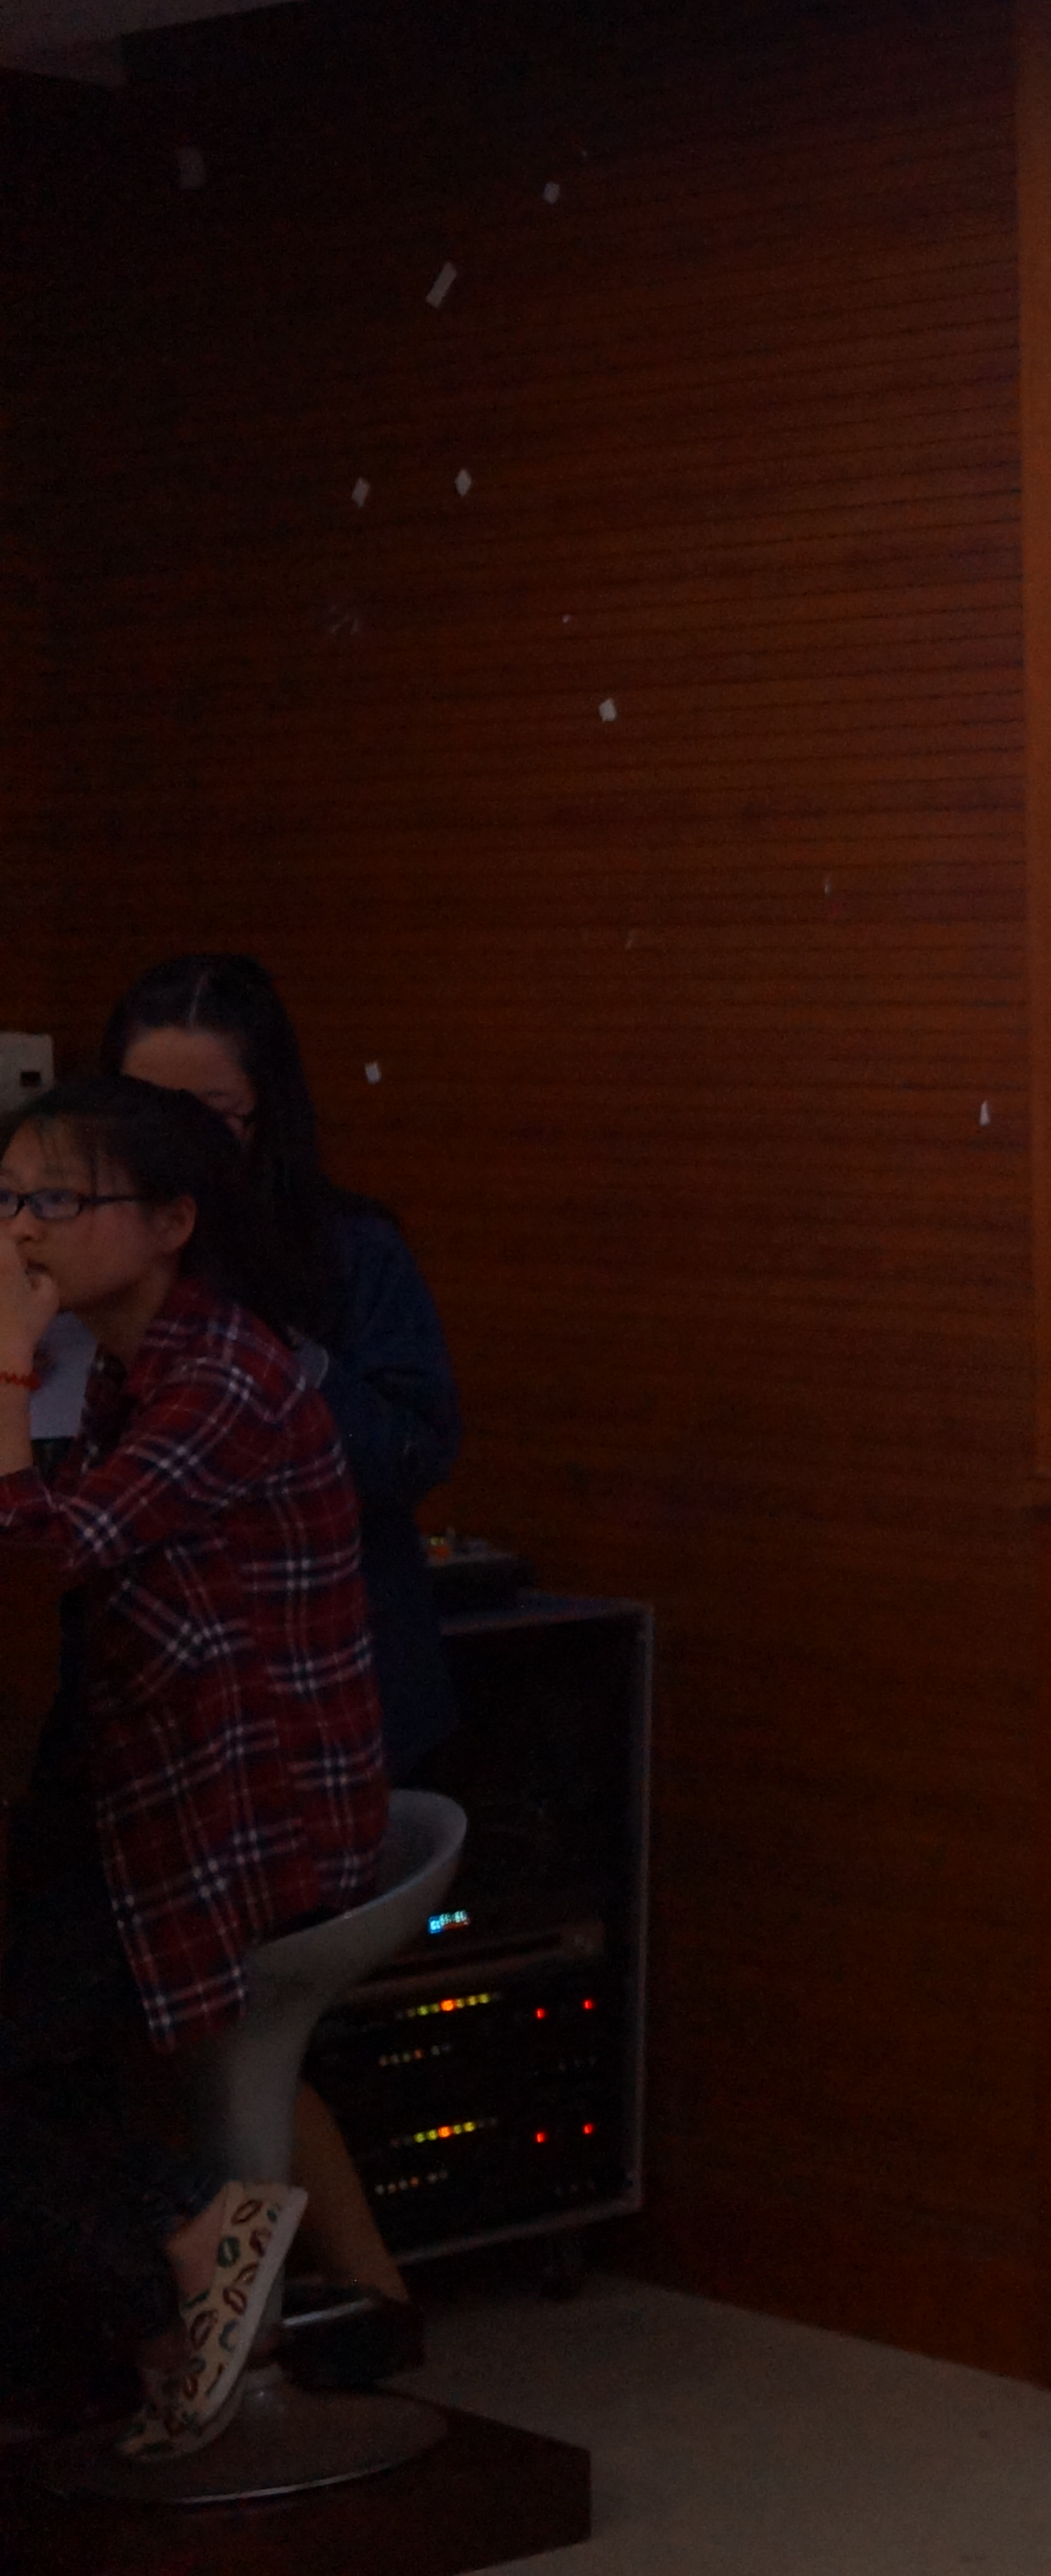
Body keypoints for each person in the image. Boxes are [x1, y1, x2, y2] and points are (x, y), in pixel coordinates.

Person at [0, 1077, 384, 2459]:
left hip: (238, 1808)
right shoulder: (123, 1364)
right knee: (35, 2046)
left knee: (20, 2059)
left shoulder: (223, 1373)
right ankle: (132, 2328)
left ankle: (185, 2246)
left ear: (171, 1222)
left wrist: (4, 1362)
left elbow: (47, 1551)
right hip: (138, 1774)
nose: (23, 1229)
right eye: (8, 1199)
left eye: (58, 1199)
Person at [101, 955, 458, 2368]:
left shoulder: (338, 1257)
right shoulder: (87, 1258)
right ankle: (342, 2304)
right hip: (151, 1708)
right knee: (168, 2020)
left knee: (203, 2013)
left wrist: (269, 1369)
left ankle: (248, 2309)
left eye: (212, 1116)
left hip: (303, 1715)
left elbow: (416, 1444)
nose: (173, 1147)